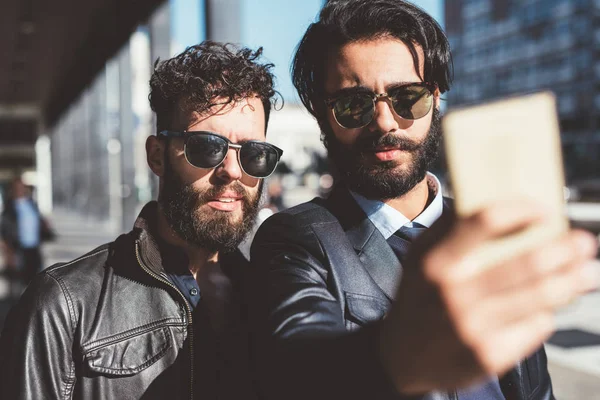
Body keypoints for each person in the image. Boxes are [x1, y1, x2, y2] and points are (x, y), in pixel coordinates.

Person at [249, 1, 599, 399]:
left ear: (435, 98)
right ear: (321, 114)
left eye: (407, 98)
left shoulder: (485, 230)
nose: (384, 122)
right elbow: (296, 367)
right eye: (352, 105)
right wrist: (395, 359)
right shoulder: (294, 239)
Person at [0, 41, 282, 400]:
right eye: (207, 147)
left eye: (254, 154)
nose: (232, 171)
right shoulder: (65, 306)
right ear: (157, 156)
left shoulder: (277, 288)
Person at [0, 177, 53, 286]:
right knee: (17, 281)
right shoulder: (9, 208)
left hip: (34, 247)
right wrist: (8, 252)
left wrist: (45, 226)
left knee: (36, 280)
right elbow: (4, 230)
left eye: (22, 187)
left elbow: (40, 221)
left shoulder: (32, 204)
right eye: (17, 187)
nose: (20, 189)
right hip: (17, 249)